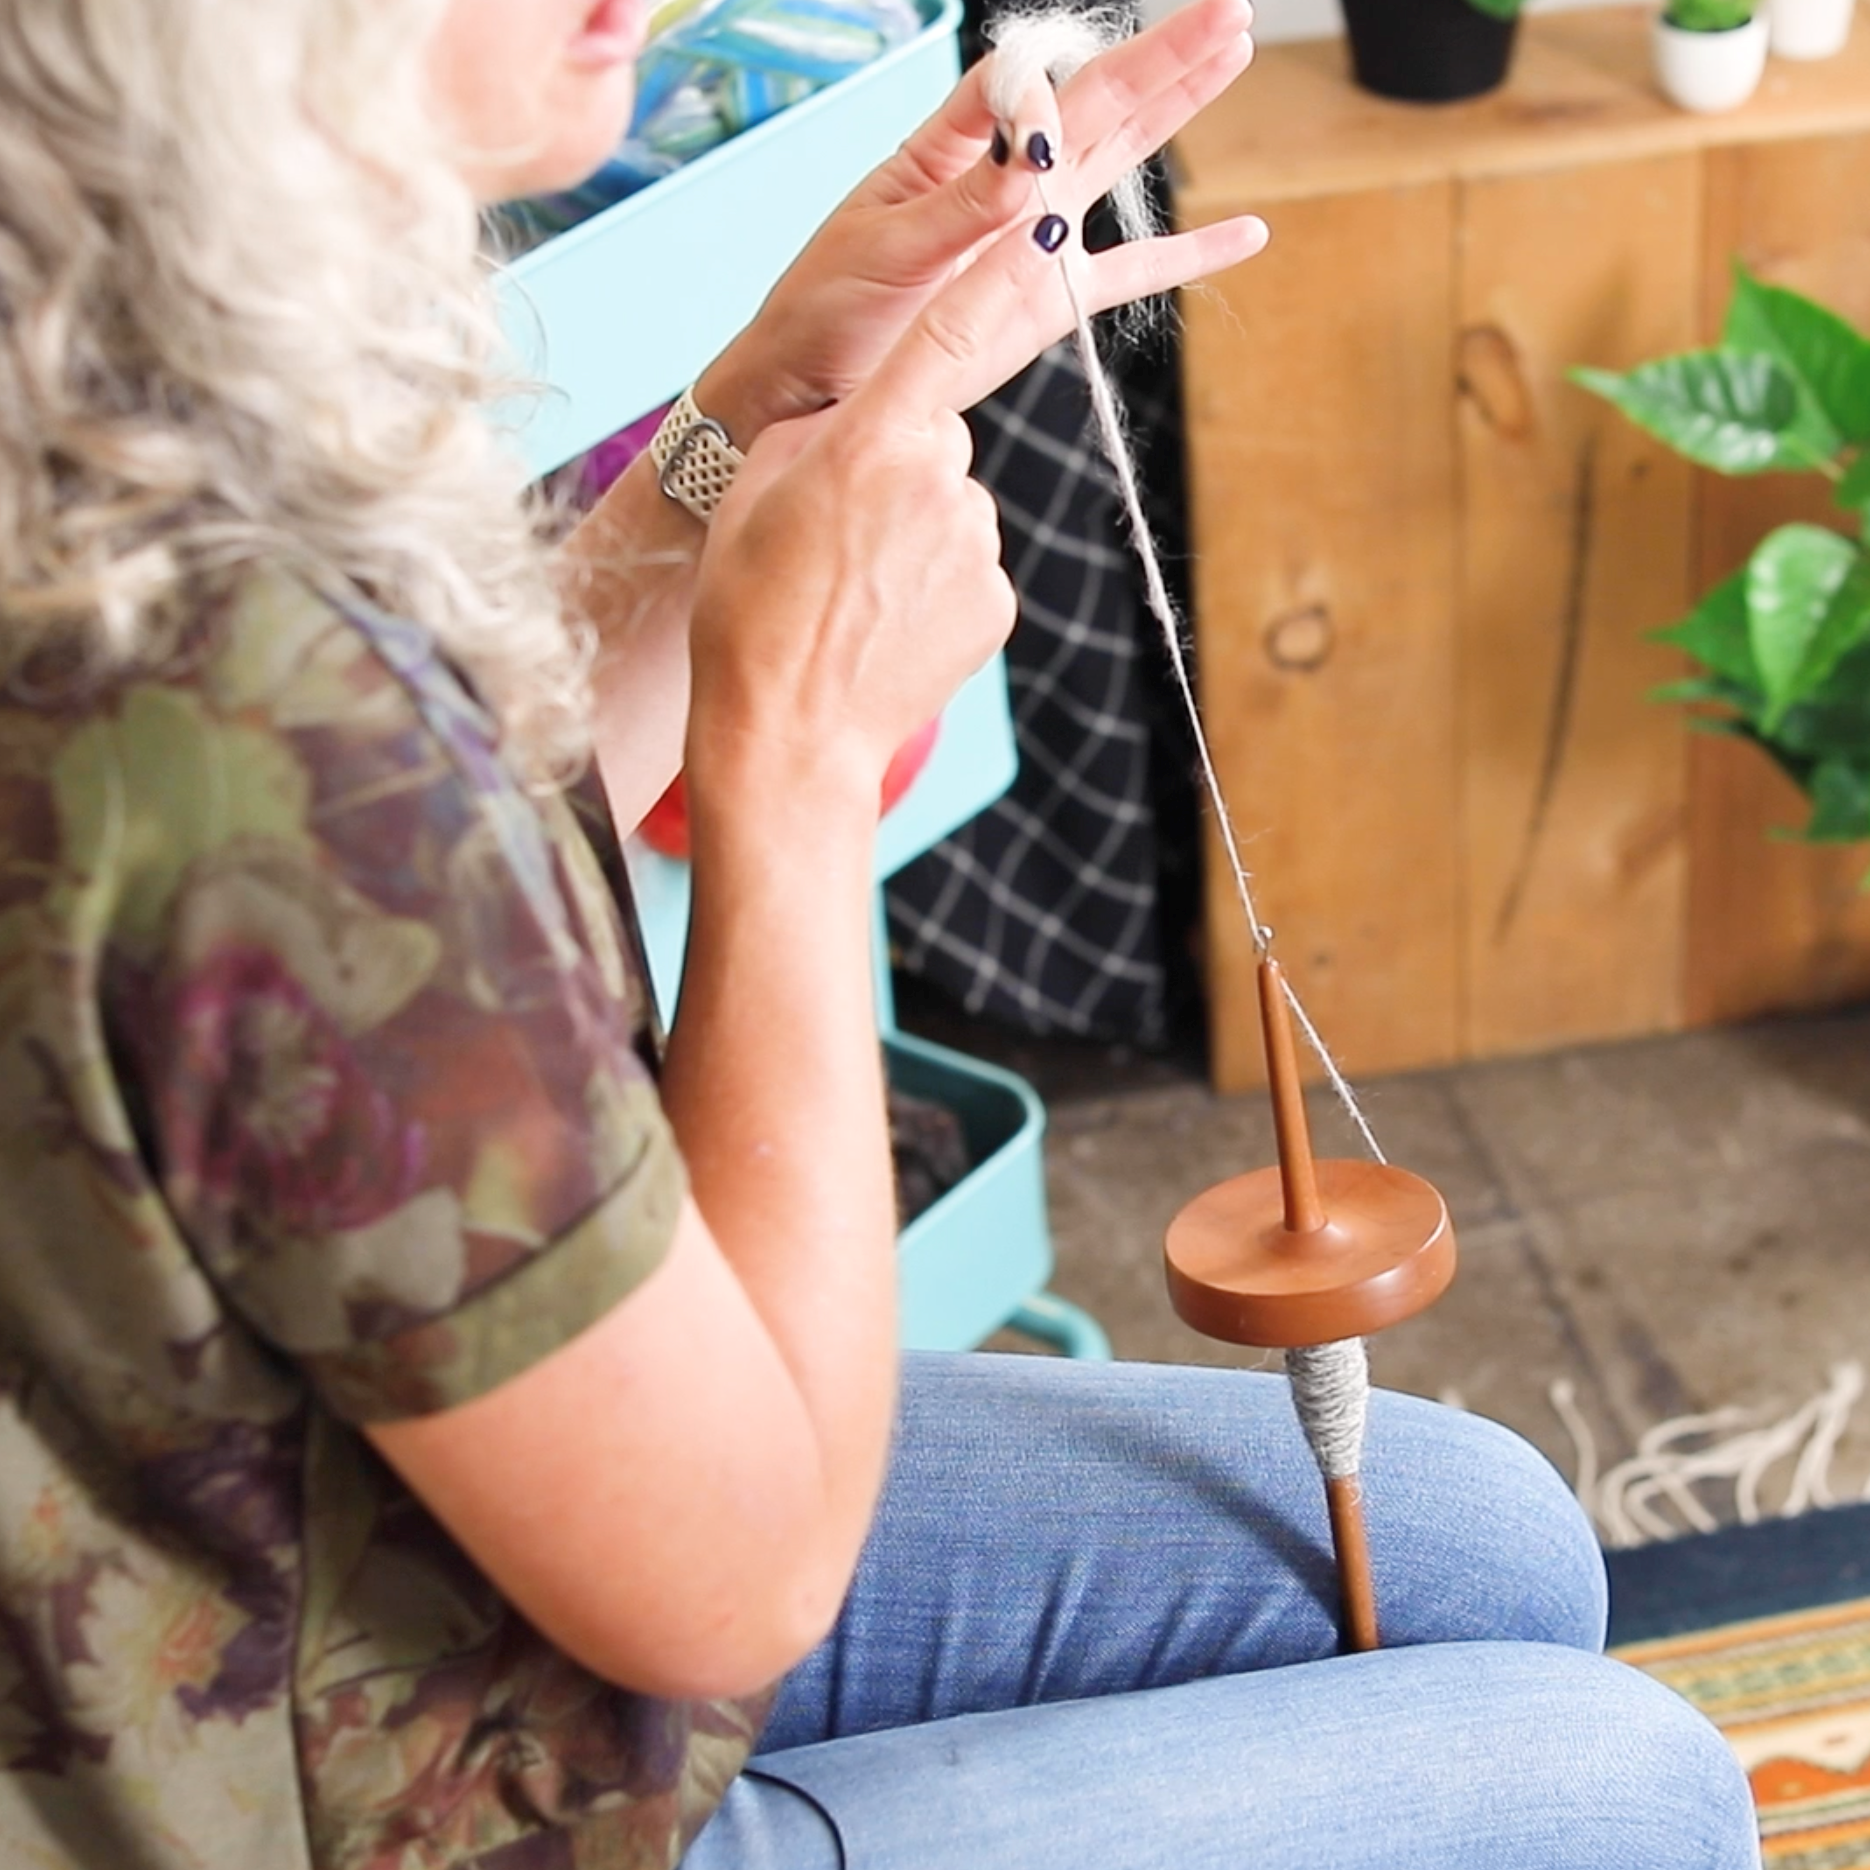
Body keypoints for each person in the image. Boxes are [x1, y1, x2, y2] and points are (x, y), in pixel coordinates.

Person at [0, 0, 1761, 1865]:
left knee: (1469, 1533)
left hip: (351, 1527)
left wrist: (750, 409)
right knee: (1618, 1789)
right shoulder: (215, 704)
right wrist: (797, 768)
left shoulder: (123, 436)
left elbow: (422, 899)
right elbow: (735, 1570)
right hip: (329, 1788)